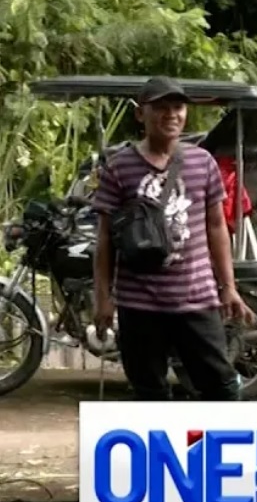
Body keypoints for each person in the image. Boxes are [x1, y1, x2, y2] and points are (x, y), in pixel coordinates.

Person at [92, 77, 248, 401]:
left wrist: (228, 286)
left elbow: (217, 226)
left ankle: (208, 451)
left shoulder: (202, 162)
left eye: (177, 107)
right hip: (139, 304)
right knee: (150, 394)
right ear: (141, 115)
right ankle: (163, 452)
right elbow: (105, 238)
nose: (171, 115)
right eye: (160, 108)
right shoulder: (119, 167)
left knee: (221, 389)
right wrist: (103, 298)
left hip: (197, 299)